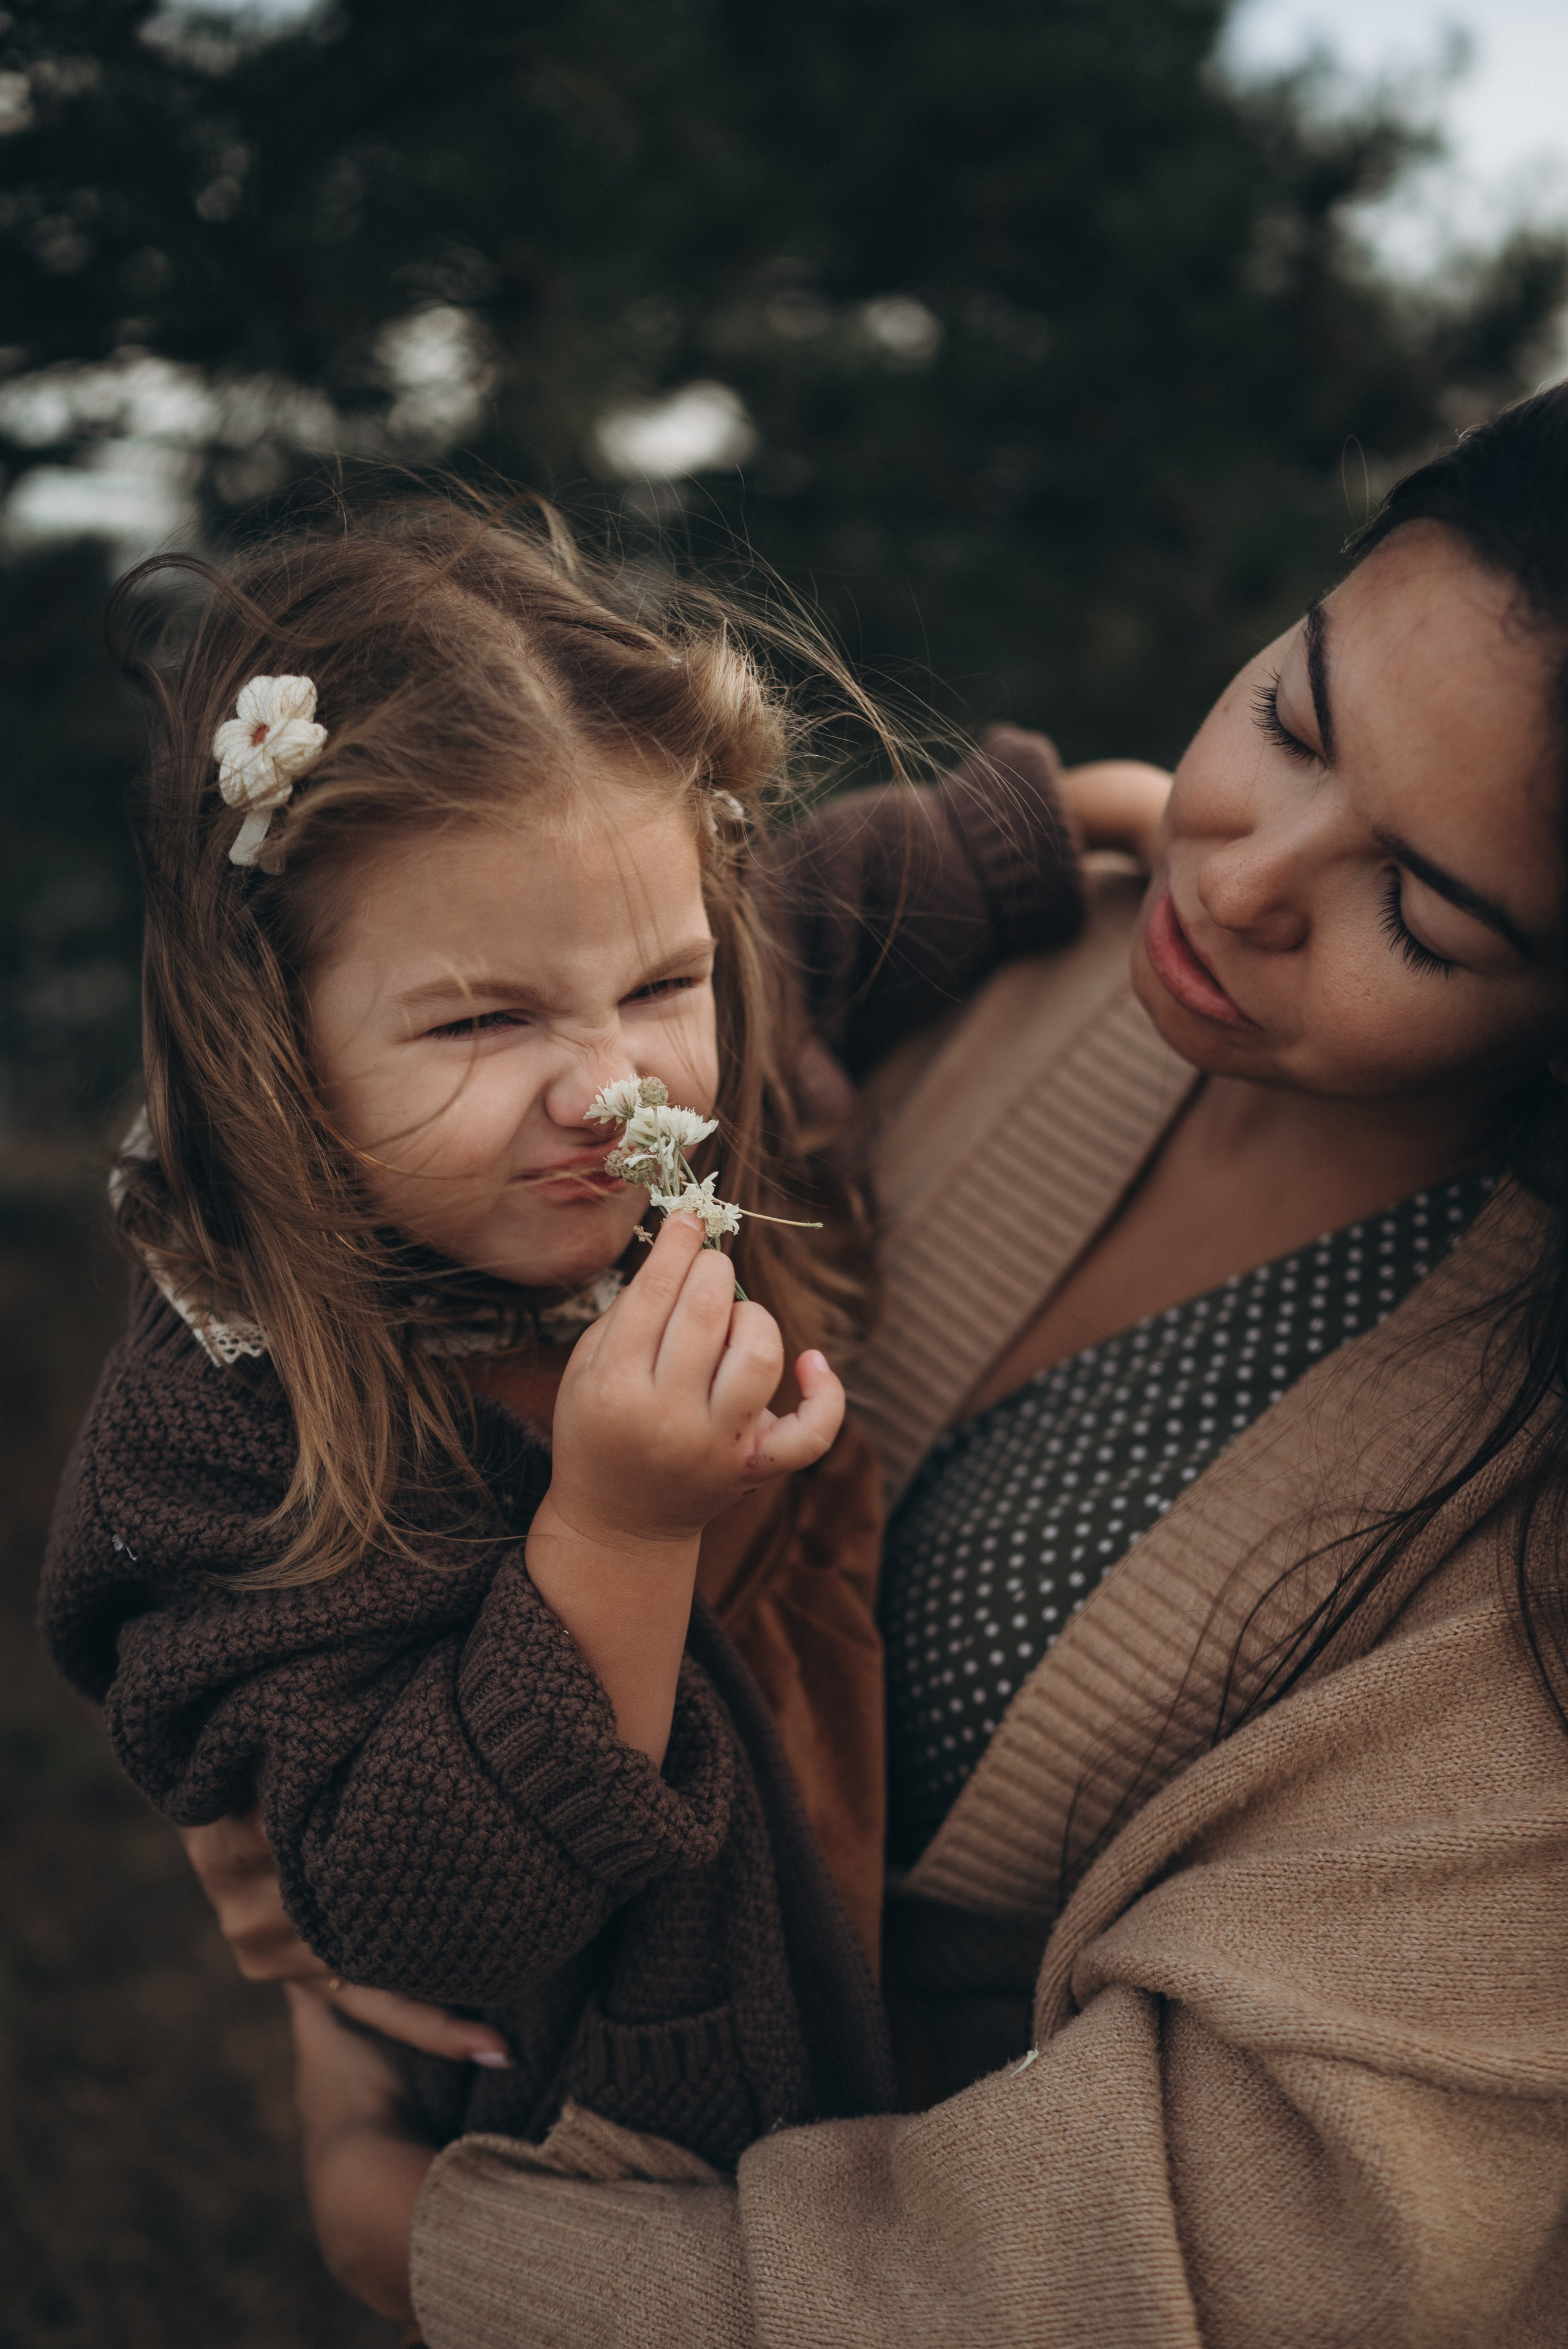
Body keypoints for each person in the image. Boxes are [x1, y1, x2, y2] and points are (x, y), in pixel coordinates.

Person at [207, 386, 1568, 2345]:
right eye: (1293, 714)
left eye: (1425, 910)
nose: (1246, 871)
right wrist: (260, 1730)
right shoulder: (990, 948)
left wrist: (428, 2241)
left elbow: (1205, 2258)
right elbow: (393, 1161)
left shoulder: (1513, 1522)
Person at [38, 495, 1166, 2180]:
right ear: (266, 1032)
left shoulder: (729, 1013)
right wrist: (619, 1528)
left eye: (659, 984)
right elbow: (418, 1915)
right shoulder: (221, 1419)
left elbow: (826, 902)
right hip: (633, 2121)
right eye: (482, 1017)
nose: (612, 1083)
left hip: (863, 1934)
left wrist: (1045, 819)